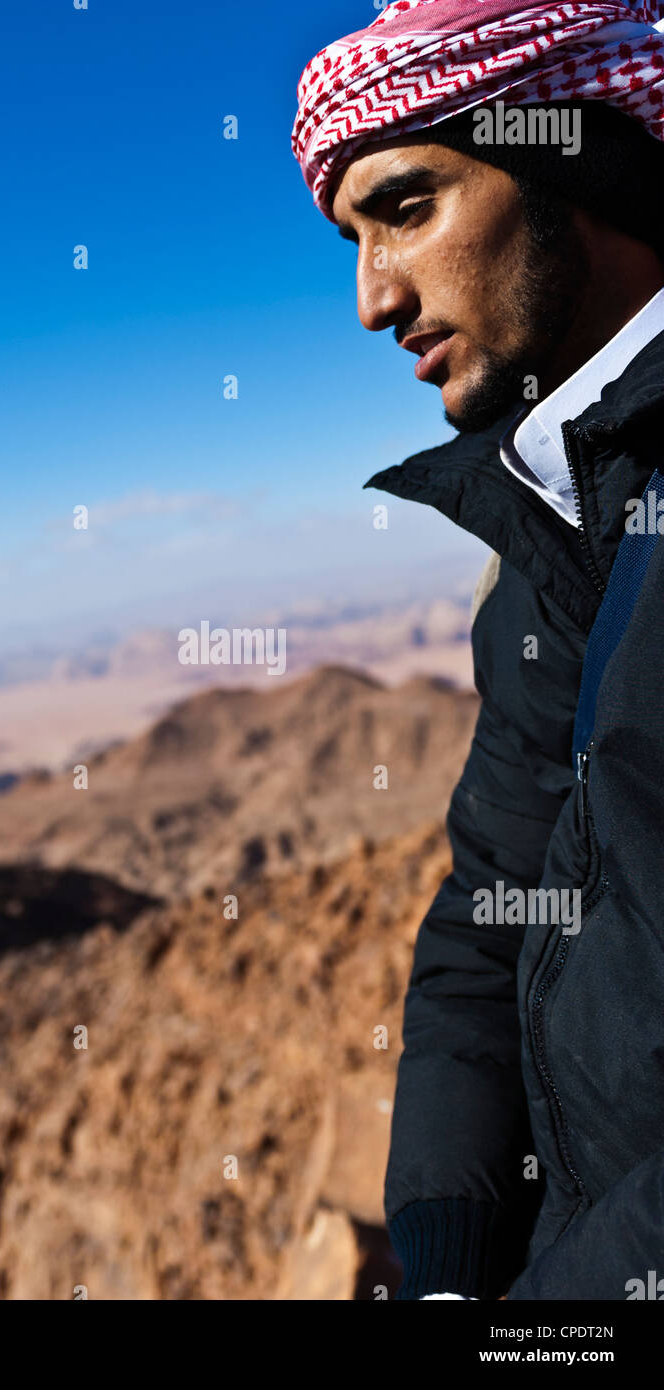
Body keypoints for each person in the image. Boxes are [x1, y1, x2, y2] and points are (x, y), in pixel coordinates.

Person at [292, 0, 664, 1300]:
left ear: (576, 158)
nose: (370, 300)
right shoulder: (560, 512)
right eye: (352, 241)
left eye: (404, 209)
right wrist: (448, 1253)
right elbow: (492, 907)